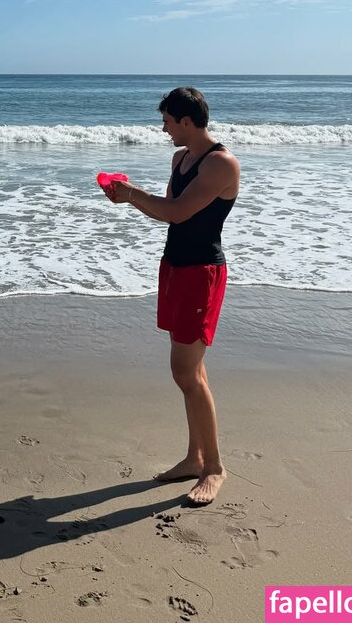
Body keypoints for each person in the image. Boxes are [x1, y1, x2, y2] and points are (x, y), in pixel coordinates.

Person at [102, 87, 239, 505]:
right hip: (175, 266)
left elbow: (179, 212)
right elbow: (168, 211)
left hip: (202, 273)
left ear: (185, 120)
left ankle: (214, 468)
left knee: (184, 371)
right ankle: (195, 457)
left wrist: (131, 194)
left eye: (166, 122)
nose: (163, 129)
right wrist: (127, 198)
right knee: (192, 371)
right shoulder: (181, 159)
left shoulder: (221, 163)